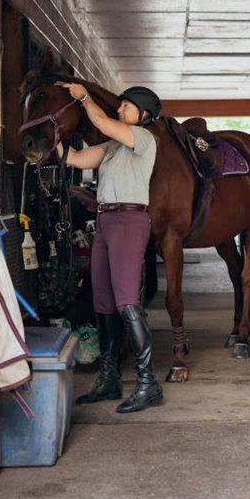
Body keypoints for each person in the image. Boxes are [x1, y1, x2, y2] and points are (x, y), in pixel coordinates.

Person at [56, 83, 163, 413]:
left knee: (127, 301)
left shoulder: (143, 139)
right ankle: (109, 377)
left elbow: (101, 121)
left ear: (143, 114)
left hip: (129, 222)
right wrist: (50, 134)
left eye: (126, 107)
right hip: (104, 221)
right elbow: (73, 158)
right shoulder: (114, 146)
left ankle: (148, 384)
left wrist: (84, 97)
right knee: (102, 300)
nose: (120, 110)